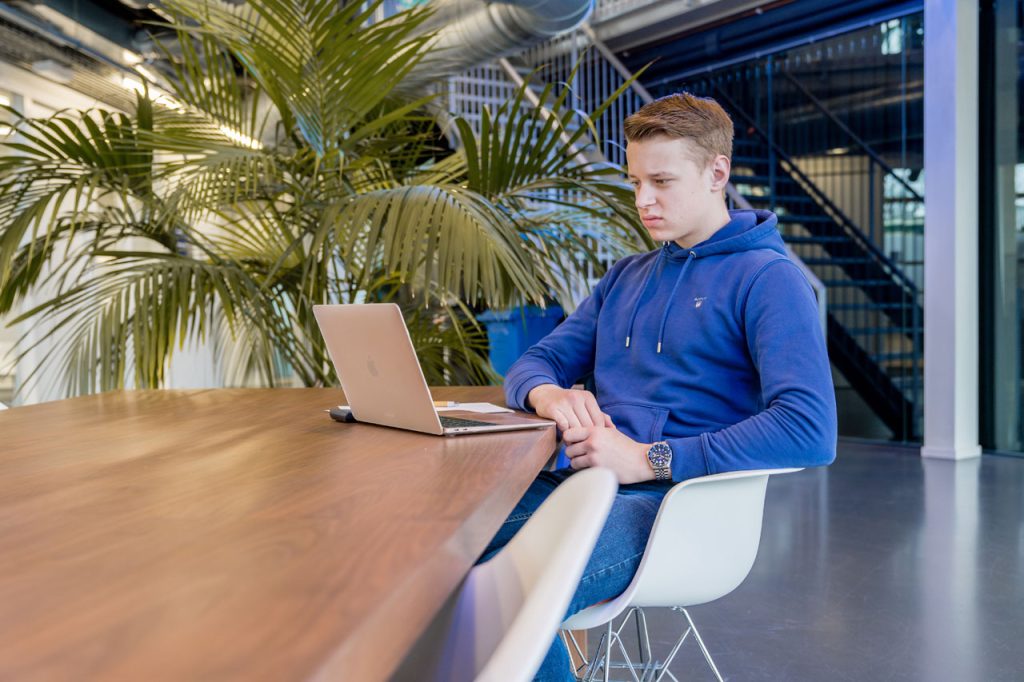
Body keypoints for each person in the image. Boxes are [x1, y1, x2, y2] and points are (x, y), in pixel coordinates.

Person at [478, 92, 837, 681]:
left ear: (716, 172)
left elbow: (810, 428)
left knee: (517, 598)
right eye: (636, 181)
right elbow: (535, 362)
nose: (644, 201)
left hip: (670, 506)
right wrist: (551, 395)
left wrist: (650, 458)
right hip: (577, 482)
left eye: (662, 181)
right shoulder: (627, 276)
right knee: (436, 559)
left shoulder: (771, 280)